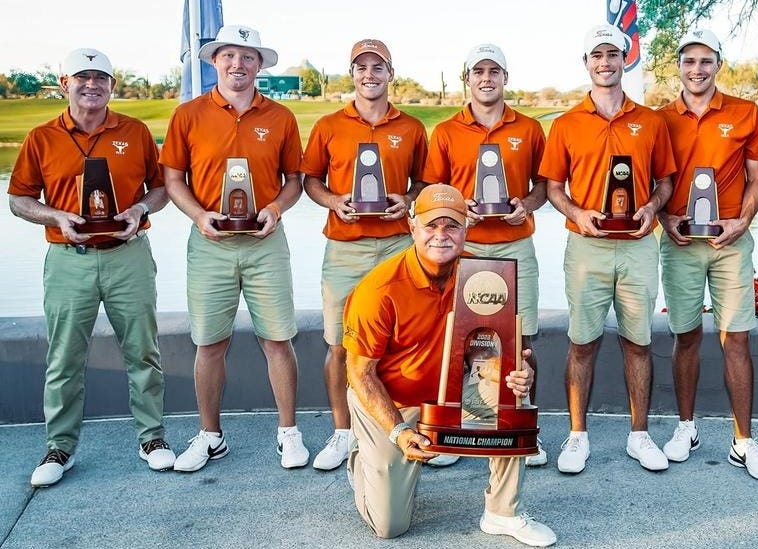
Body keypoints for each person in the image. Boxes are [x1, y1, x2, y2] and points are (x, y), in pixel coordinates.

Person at [343, 184, 556, 547]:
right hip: (394, 400)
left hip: (454, 391)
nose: (441, 236)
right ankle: (366, 454)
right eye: (431, 226)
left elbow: (501, 348)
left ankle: (502, 512)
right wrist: (397, 432)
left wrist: (518, 374)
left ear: (466, 228)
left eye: (452, 226)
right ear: (412, 227)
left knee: (511, 386)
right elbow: (360, 372)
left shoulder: (486, 275)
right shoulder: (379, 289)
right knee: (390, 526)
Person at [9, 48, 174, 486]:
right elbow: (19, 200)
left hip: (129, 255)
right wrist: (56, 217)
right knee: (64, 358)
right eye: (82, 77)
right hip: (68, 260)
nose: (92, 85)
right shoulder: (42, 137)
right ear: (65, 83)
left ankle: (152, 438)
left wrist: (139, 208)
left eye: (101, 78)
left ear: (112, 86)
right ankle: (59, 448)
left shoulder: (135, 132)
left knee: (143, 351)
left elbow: (160, 189)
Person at [160, 24, 309, 472]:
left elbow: (295, 181)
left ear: (259, 64)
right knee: (209, 343)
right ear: (214, 60)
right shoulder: (187, 114)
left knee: (278, 340)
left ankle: (289, 433)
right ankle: (211, 436)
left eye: (247, 57)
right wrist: (198, 215)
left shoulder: (281, 117)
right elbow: (172, 180)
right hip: (210, 243)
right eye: (229, 55)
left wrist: (277, 209)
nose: (237, 64)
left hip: (265, 242)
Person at [540, 24, 676, 473]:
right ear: (586, 64)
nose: (605, 62)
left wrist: (654, 208)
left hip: (637, 246)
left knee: (638, 342)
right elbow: (554, 187)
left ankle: (640, 436)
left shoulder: (651, 121)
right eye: (596, 55)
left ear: (625, 59)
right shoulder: (565, 124)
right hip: (587, 248)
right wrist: (577, 213)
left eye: (613, 55)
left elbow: (665, 182)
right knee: (583, 343)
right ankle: (578, 437)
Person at [654, 29, 758, 480]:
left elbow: (757, 177)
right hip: (682, 242)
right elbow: (654, 183)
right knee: (685, 336)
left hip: (730, 243)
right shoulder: (660, 118)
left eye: (706, 61)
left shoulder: (745, 112)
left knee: (736, 337)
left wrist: (742, 221)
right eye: (689, 61)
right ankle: (686, 428)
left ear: (718, 65)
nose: (697, 69)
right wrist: (665, 220)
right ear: (679, 67)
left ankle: (743, 441)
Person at [301, 38, 428, 471]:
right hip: (345, 246)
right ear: (351, 73)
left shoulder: (411, 127)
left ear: (391, 74)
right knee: (339, 344)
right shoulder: (329, 125)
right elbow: (310, 181)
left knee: (409, 341)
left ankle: (409, 427)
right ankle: (342, 432)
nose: (370, 74)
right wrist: (333, 201)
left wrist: (408, 199)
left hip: (397, 245)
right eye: (362, 67)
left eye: (378, 67)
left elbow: (423, 184)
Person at [423, 43, 549, 467]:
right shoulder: (445, 131)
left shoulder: (529, 128)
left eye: (495, 70)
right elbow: (430, 194)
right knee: (456, 338)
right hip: (464, 247)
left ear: (505, 78)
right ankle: (455, 427)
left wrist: (526, 206)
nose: (487, 78)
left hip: (515, 244)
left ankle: (521, 424)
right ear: (467, 78)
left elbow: (543, 187)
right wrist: (458, 208)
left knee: (522, 338)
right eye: (479, 71)